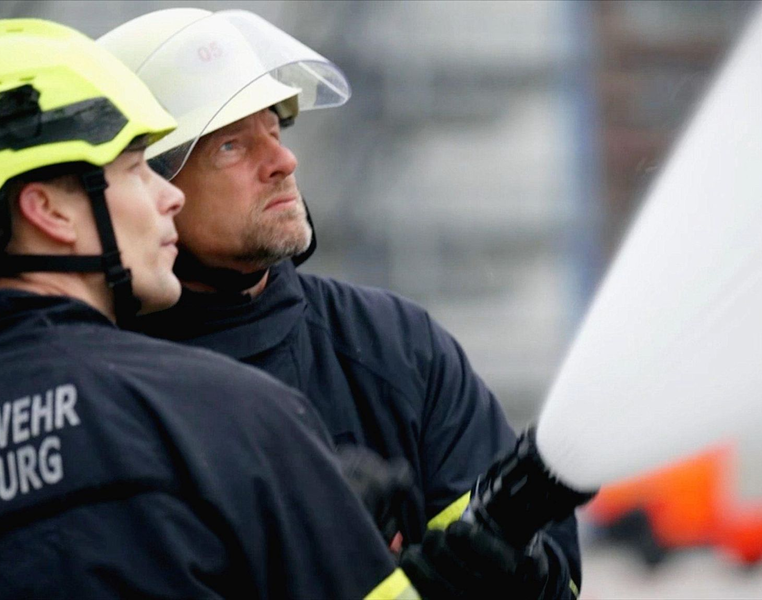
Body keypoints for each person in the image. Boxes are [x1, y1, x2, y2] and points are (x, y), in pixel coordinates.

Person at [99, 7, 584, 598]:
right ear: (147, 185)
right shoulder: (98, 386)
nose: (283, 162)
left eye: (274, 131)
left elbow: (551, 575)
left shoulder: (392, 346)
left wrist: (518, 566)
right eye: (230, 145)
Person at [0, 18, 418, 599]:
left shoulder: (387, 341)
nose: (169, 195)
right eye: (136, 169)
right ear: (49, 211)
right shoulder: (227, 416)